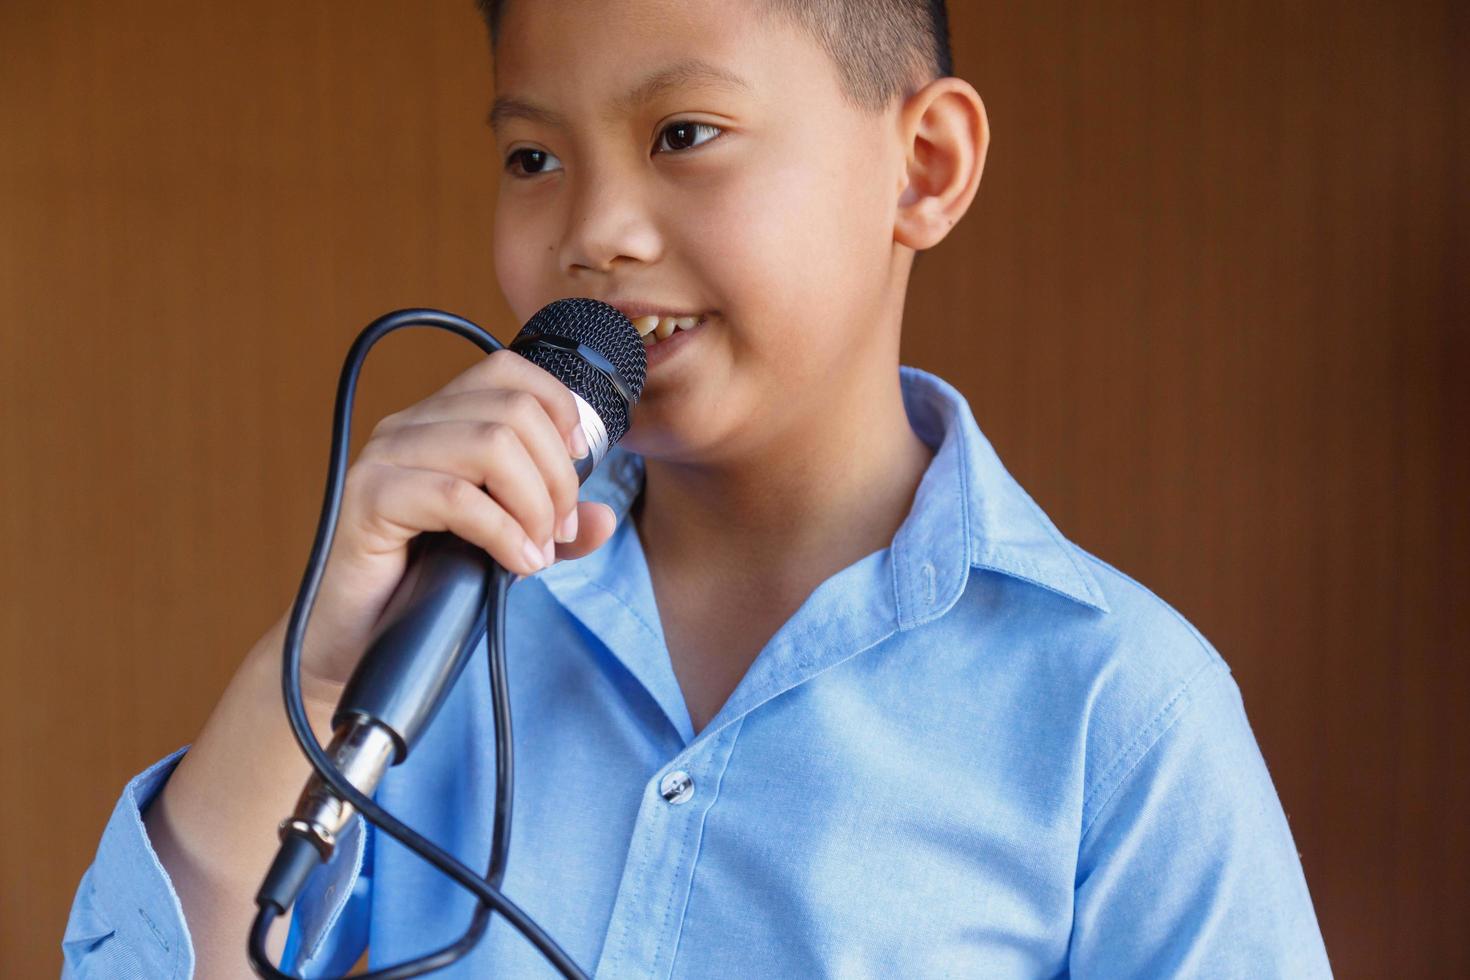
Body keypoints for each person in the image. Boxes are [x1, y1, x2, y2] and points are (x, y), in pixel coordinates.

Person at [62, 0, 1332, 976]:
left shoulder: (1120, 708)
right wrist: (326, 665)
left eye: (684, 135)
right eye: (531, 157)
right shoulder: (439, 626)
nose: (594, 229)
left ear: (925, 165)